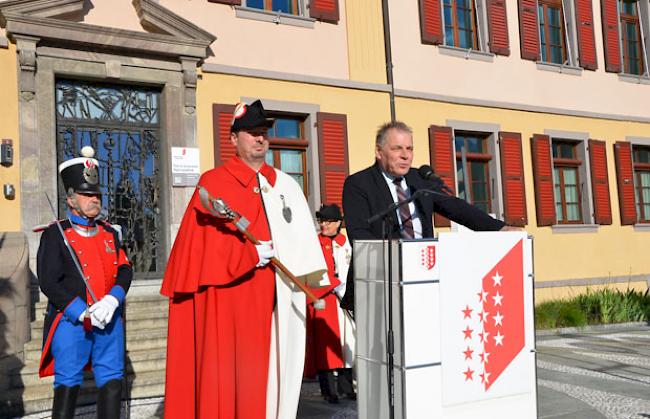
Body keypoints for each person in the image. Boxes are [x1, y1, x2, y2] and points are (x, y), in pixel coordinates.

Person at [161, 99, 327, 419]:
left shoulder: (285, 185)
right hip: (230, 300)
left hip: (276, 298)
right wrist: (249, 254)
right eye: (251, 132)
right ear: (233, 139)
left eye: (263, 131)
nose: (260, 138)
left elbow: (305, 242)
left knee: (267, 379)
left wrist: (318, 287)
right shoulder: (214, 183)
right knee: (233, 379)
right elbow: (200, 252)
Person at [341, 121, 515, 310]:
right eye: (397, 148)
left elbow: (457, 208)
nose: (405, 155)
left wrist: (500, 228)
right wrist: (397, 256)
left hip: (422, 279)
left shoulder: (419, 180)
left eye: (409, 148)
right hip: (378, 284)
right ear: (379, 151)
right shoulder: (358, 184)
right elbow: (359, 234)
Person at [37, 146, 132, 419]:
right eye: (87, 194)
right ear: (71, 199)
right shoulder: (56, 234)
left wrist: (113, 299)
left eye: (97, 194)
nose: (94, 199)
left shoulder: (109, 233)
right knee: (67, 385)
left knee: (112, 383)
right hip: (72, 321)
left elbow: (125, 269)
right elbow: (49, 281)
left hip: (109, 320)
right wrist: (82, 311)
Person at [304, 204, 356, 404]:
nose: (323, 225)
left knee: (347, 343)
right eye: (321, 221)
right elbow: (313, 270)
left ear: (337, 223)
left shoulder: (347, 243)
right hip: (325, 297)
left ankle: (346, 388)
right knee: (326, 345)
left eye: (327, 221)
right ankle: (328, 390)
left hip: (346, 298)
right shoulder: (315, 243)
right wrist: (335, 284)